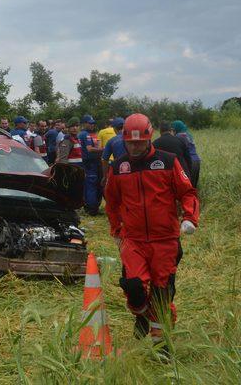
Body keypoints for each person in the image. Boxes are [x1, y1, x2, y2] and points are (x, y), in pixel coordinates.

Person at [104, 113, 199, 358]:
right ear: (124, 140)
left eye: (140, 142)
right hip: (133, 240)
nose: (135, 147)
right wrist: (116, 230)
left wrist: (189, 217)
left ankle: (162, 347)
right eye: (130, 142)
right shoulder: (119, 167)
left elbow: (188, 192)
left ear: (149, 139)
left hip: (165, 241)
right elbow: (112, 202)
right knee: (133, 286)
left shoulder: (168, 161)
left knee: (161, 294)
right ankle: (141, 314)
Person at [78, 114, 103, 215]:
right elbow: (89, 149)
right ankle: (91, 208)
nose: (92, 125)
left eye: (93, 123)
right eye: (90, 123)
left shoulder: (90, 134)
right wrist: (103, 149)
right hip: (89, 163)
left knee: (95, 184)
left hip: (94, 162)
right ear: (84, 124)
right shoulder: (85, 134)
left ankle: (93, 206)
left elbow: (94, 146)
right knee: (91, 185)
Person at [171, 120, 201, 188]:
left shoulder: (178, 136)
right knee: (194, 185)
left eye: (173, 130)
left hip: (189, 162)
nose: (172, 132)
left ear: (177, 128)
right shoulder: (188, 135)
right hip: (197, 160)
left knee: (188, 185)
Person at [101, 117, 126, 186]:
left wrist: (105, 176)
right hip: (134, 172)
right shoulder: (132, 138)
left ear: (114, 128)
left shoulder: (111, 141)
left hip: (119, 171)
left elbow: (104, 160)